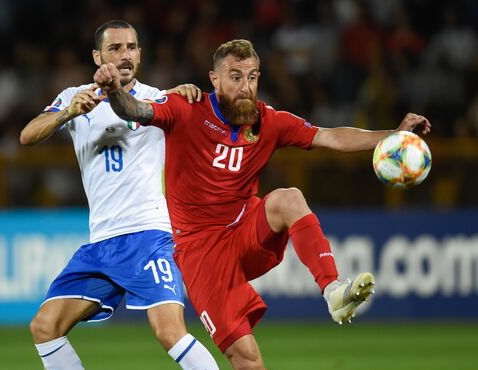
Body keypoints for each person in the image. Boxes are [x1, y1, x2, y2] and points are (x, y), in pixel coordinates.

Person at [94, 38, 432, 369]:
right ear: (215, 79)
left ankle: (332, 291)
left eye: (252, 77)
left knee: (289, 198)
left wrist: (391, 135)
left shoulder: (269, 121)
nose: (245, 86)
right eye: (235, 76)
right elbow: (135, 110)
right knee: (247, 359)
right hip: (201, 252)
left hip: (245, 231)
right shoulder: (186, 109)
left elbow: (330, 136)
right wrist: (113, 90)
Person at [21, 20, 218, 370]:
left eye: (131, 47)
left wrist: (185, 92)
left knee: (169, 331)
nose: (124, 55)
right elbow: (27, 135)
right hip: (101, 243)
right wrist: (68, 113)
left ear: (140, 54)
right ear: (97, 56)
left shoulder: (158, 99)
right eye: (115, 48)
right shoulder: (73, 97)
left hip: (149, 235)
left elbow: (166, 111)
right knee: (45, 326)